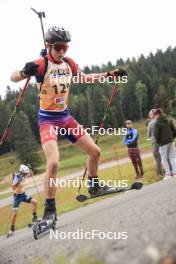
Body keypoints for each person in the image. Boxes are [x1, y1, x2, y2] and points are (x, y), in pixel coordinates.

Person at [10, 26, 127, 221]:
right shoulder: (41, 64)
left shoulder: (69, 63)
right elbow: (13, 77)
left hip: (65, 117)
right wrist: (24, 72)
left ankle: (94, 185)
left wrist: (109, 74)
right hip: (47, 120)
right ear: (48, 46)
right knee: (54, 163)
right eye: (58, 47)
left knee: (95, 152)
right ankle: (49, 209)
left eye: (65, 47)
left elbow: (86, 78)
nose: (62, 51)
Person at [7, 164, 38, 236]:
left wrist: (30, 169)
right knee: (14, 214)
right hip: (17, 197)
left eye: (26, 173)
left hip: (23, 195)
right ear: (22, 172)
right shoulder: (17, 177)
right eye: (25, 173)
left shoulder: (23, 175)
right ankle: (12, 229)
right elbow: (13, 187)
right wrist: (18, 181)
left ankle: (34, 217)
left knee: (35, 202)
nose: (26, 174)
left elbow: (31, 174)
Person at [153, 109, 176, 180]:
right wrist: (172, 137)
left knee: (164, 158)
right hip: (170, 141)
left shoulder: (156, 123)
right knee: (172, 157)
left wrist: (158, 142)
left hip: (162, 143)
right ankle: (175, 172)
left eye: (155, 115)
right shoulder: (169, 120)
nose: (155, 117)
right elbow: (174, 130)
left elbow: (156, 135)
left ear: (157, 114)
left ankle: (168, 174)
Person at [147, 109, 164, 178]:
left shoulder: (150, 123)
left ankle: (159, 174)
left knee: (157, 159)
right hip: (162, 141)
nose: (149, 116)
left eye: (150, 114)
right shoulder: (160, 120)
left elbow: (149, 135)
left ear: (152, 115)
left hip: (155, 142)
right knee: (164, 157)